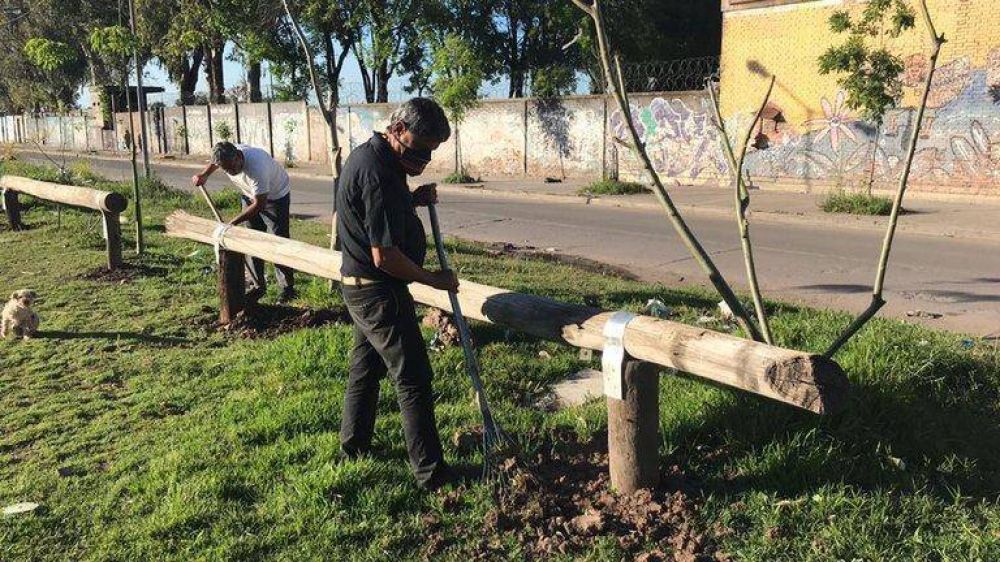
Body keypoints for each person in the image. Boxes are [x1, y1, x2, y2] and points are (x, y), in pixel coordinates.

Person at [336, 97, 458, 490]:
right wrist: (432, 279)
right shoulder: (378, 173)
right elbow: (385, 255)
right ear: (397, 130)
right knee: (414, 378)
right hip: (377, 291)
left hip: (359, 287)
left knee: (366, 370)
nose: (423, 158)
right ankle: (431, 474)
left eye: (431, 152)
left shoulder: (374, 159)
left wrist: (412, 200)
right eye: (420, 148)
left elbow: (376, 212)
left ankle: (353, 446)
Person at [192, 141, 296, 303]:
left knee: (278, 241)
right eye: (226, 169)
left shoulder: (256, 168)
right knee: (251, 239)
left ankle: (287, 288)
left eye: (232, 167)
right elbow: (214, 162)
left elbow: (260, 205)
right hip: (250, 195)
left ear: (239, 157)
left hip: (275, 197)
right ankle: (257, 285)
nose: (231, 172)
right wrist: (204, 175)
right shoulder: (225, 155)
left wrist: (231, 223)